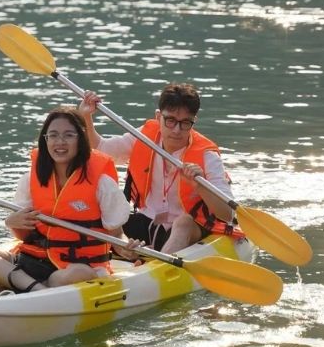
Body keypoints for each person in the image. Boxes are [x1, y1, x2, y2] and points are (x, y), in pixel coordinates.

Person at [0, 106, 139, 294]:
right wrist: (12, 222)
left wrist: (125, 248)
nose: (60, 142)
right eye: (53, 135)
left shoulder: (102, 183)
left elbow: (116, 235)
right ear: (46, 140)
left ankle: (24, 287)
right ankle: (38, 290)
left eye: (68, 135)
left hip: (75, 267)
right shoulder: (30, 179)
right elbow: (24, 236)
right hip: (33, 260)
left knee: (78, 273)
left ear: (80, 139)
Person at [78, 83, 238, 255]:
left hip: (189, 228)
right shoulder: (143, 136)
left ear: (193, 122)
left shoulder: (207, 156)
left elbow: (227, 213)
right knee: (104, 214)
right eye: (170, 121)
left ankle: (159, 264)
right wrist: (86, 117)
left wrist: (201, 185)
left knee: (183, 222)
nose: (177, 130)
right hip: (147, 220)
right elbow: (101, 149)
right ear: (158, 117)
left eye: (185, 123)